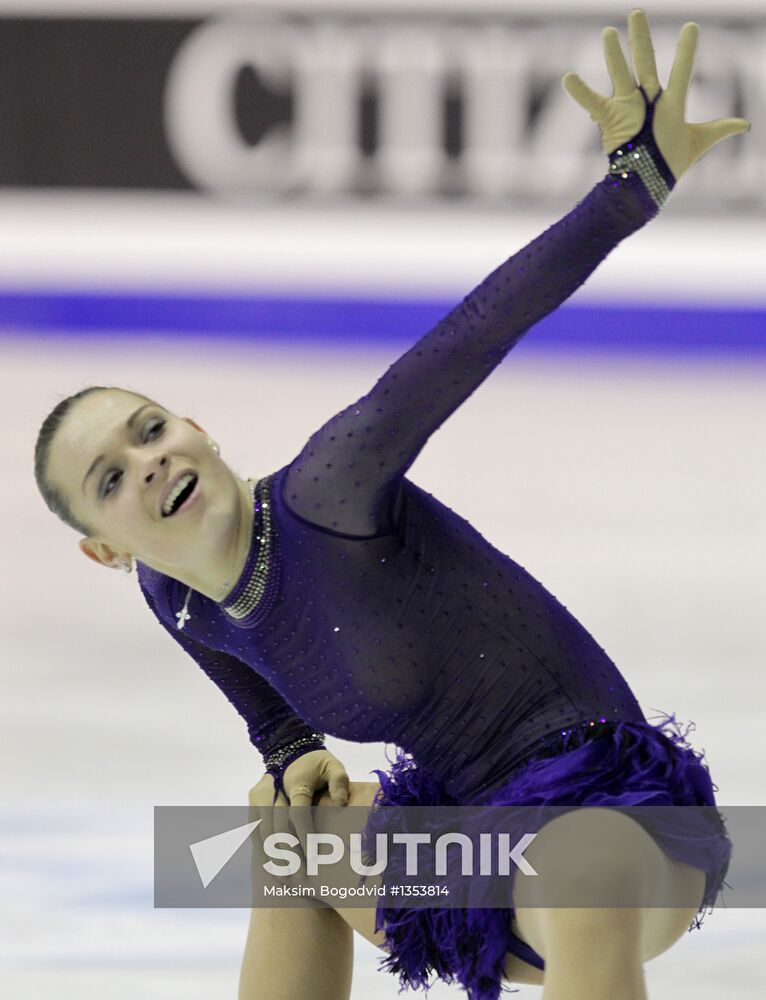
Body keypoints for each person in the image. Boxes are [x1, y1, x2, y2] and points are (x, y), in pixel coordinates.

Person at [34, 10, 747, 1000]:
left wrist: (632, 189)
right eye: (109, 480)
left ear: (196, 426)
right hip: (471, 863)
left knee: (572, 864)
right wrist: (291, 757)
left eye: (148, 430)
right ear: (107, 551)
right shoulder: (178, 597)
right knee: (287, 838)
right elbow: (266, 709)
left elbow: (479, 329)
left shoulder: (332, 485)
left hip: (622, 834)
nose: (145, 466)